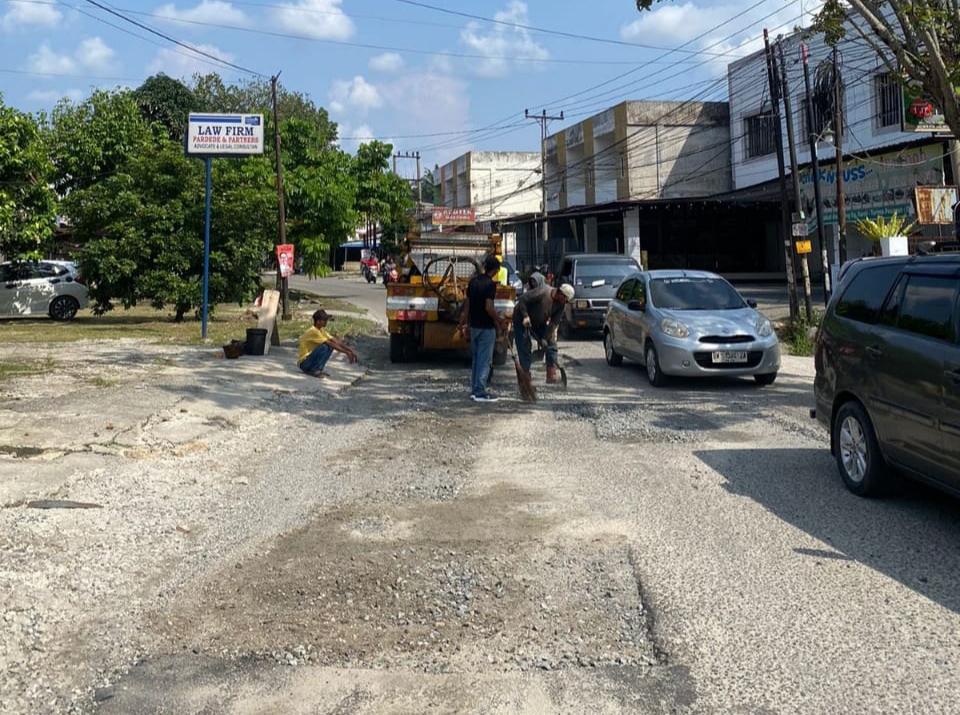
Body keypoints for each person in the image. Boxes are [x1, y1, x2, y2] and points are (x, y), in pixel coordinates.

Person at [457, 255, 506, 402]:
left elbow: (467, 306)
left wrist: (462, 324)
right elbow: (489, 307)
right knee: (484, 360)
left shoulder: (473, 282)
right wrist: (499, 320)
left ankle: (475, 389)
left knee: (476, 359)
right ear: (495, 270)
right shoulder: (490, 285)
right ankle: (479, 392)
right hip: (486, 328)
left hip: (474, 326)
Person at [513, 282, 574, 384]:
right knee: (525, 345)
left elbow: (553, 324)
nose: (566, 303)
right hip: (521, 317)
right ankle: (525, 377)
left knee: (551, 345)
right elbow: (522, 299)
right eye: (566, 300)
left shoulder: (561, 306)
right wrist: (525, 316)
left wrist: (546, 338)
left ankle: (551, 374)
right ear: (561, 294)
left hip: (538, 321)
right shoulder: (543, 291)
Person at [297, 309, 357, 378]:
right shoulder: (313, 331)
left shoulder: (321, 330)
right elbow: (329, 343)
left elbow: (334, 340)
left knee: (330, 347)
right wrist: (346, 352)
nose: (326, 322)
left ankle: (318, 369)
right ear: (318, 321)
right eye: (324, 320)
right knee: (324, 347)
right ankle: (315, 370)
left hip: (309, 361)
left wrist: (350, 350)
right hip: (304, 363)